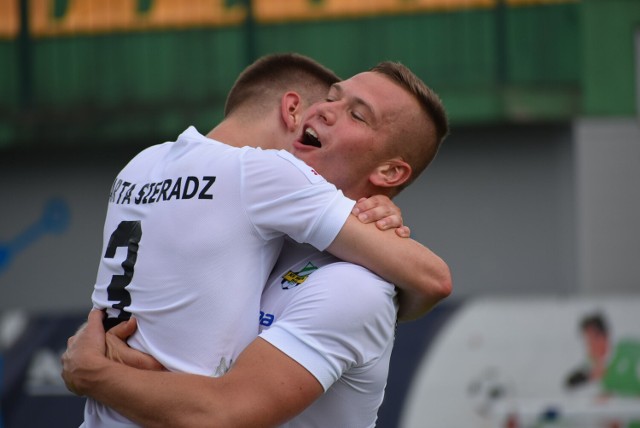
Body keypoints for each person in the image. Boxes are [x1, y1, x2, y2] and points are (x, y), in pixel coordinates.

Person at [63, 57, 451, 427]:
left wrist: (94, 372)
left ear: (389, 171)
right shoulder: (260, 233)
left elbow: (220, 415)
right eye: (332, 97)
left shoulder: (354, 287)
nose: (323, 110)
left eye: (356, 114)